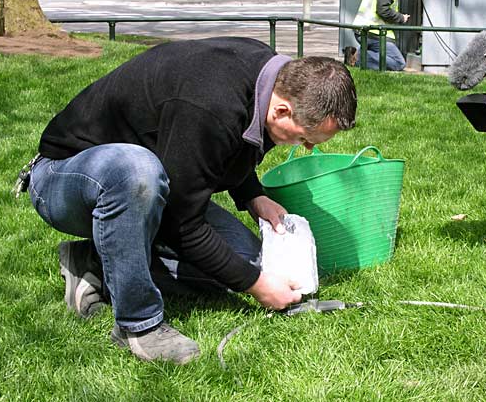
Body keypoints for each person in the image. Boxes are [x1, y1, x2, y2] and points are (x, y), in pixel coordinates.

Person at [23, 37, 357, 363]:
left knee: (250, 261)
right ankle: (138, 326)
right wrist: (256, 286)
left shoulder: (270, 79)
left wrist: (253, 196)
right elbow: (181, 223)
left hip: (152, 193)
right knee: (137, 171)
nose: (306, 147)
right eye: (304, 138)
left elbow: (231, 146)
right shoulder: (211, 101)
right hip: (64, 178)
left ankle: (92, 260)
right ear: (282, 110)